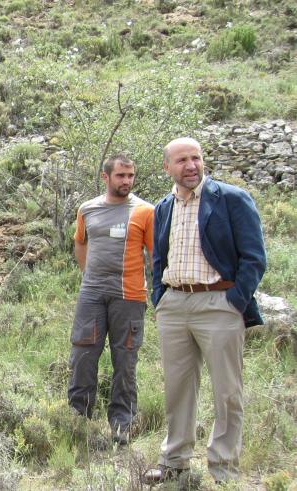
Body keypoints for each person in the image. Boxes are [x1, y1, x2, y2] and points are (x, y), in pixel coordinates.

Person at [143, 137, 266, 484]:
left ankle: (223, 469)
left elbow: (254, 258)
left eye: (196, 158)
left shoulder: (231, 199)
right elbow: (158, 258)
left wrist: (234, 301)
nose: (191, 165)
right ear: (167, 167)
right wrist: (161, 298)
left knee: (227, 391)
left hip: (219, 303)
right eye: (182, 160)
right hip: (175, 304)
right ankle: (174, 461)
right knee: (177, 388)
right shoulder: (163, 206)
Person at [68, 155, 153, 446]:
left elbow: (155, 255)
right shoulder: (88, 209)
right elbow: (80, 242)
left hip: (129, 296)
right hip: (91, 294)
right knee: (82, 356)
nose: (126, 181)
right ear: (106, 177)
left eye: (130, 175)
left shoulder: (145, 211)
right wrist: (87, 275)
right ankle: (78, 422)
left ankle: (122, 426)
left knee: (125, 361)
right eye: (120, 176)